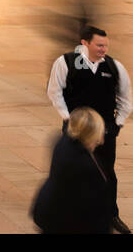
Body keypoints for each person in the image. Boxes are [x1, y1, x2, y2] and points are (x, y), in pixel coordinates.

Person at [47, 26, 131, 233]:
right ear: (85, 43)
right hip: (76, 131)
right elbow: (54, 92)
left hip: (105, 133)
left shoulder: (114, 67)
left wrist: (116, 124)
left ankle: (111, 214)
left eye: (106, 45)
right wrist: (69, 120)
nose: (104, 49)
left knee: (107, 173)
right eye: (99, 45)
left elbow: (125, 100)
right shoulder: (66, 62)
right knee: (69, 170)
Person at [31, 107, 115, 234]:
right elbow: (95, 208)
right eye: (101, 132)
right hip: (66, 223)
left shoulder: (62, 142)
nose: (102, 139)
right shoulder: (86, 166)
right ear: (91, 134)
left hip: (48, 212)